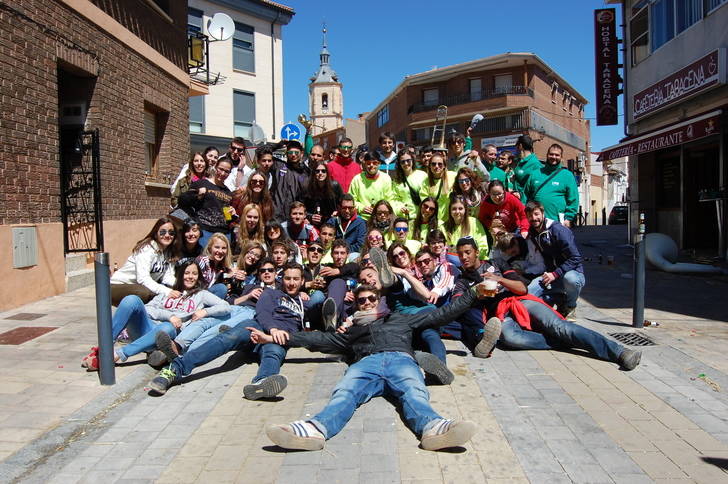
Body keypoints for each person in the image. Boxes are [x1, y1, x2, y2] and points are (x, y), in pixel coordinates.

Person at [253, 282, 485, 452]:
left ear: (379, 300)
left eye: (371, 299)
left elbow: (443, 314)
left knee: (414, 391)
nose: (367, 303)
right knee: (345, 392)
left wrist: (473, 294)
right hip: (366, 363)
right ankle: (315, 429)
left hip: (401, 359)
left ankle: (434, 428)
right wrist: (272, 338)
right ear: (357, 304)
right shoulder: (351, 332)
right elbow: (317, 340)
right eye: (361, 300)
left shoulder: (400, 319)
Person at [82, 260, 230, 370]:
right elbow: (147, 309)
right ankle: (105, 346)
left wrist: (205, 311)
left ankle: (119, 354)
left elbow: (225, 307)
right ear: (180, 275)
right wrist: (169, 315)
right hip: (146, 328)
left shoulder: (201, 295)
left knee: (167, 328)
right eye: (186, 273)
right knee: (131, 300)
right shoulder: (167, 292)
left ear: (198, 277)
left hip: (166, 336)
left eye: (194, 274)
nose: (190, 277)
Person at [525, 201, 585, 319]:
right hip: (551, 275)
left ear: (543, 213)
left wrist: (555, 273)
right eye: (530, 215)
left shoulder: (558, 230)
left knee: (571, 279)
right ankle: (559, 299)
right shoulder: (532, 232)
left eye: (536, 214)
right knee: (529, 293)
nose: (534, 218)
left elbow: (576, 258)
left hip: (571, 273)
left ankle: (570, 306)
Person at [110, 217, 179, 305]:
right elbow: (143, 279)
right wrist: (166, 291)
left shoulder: (169, 252)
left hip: (139, 287)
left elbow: (167, 277)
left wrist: (181, 286)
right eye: (162, 232)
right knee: (145, 293)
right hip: (117, 286)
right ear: (155, 233)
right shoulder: (146, 249)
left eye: (171, 232)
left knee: (157, 291)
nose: (167, 235)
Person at [178, 158, 235, 247]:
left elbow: (227, 217)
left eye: (227, 171)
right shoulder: (201, 184)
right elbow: (182, 201)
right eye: (220, 169)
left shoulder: (228, 192)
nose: (223, 173)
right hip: (205, 231)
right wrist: (197, 194)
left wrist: (232, 215)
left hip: (224, 233)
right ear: (215, 167)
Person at [524, 143, 578, 227]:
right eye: (551, 154)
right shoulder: (535, 174)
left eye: (557, 155)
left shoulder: (567, 175)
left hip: (558, 223)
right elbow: (525, 196)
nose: (554, 157)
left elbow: (573, 199)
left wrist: (569, 218)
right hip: (536, 222)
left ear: (561, 157)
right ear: (547, 155)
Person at [348, 151, 396, 221]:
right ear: (364, 164)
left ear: (379, 164)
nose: (371, 165)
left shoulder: (386, 178)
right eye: (368, 163)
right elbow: (351, 200)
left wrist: (381, 209)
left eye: (374, 163)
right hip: (362, 218)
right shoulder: (357, 179)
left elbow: (390, 199)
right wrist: (362, 208)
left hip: (381, 217)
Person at [196, 233, 242, 299]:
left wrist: (235, 277)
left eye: (224, 248)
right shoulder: (202, 261)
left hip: (208, 296)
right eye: (217, 247)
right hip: (197, 295)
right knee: (221, 288)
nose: (220, 251)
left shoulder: (222, 267)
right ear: (210, 248)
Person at [444, 196, 489, 261]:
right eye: (454, 209)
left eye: (460, 208)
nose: (457, 212)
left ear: (465, 210)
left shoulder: (474, 222)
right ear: (450, 211)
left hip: (476, 262)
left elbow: (483, 246)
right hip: (453, 264)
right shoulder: (444, 227)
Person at [302, 161, 343, 228]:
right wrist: (310, 216)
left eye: (323, 171)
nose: (320, 173)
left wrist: (337, 212)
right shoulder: (307, 188)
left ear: (327, 173)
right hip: (312, 224)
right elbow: (300, 207)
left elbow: (342, 203)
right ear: (314, 173)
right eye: (317, 171)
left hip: (331, 222)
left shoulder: (335, 186)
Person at [419, 153, 455, 222]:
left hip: (452, 218)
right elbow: (425, 203)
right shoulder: (425, 182)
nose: (436, 166)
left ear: (444, 166)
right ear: (429, 166)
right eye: (433, 164)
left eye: (440, 164)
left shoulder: (453, 176)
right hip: (435, 220)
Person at [391, 150, 427, 218]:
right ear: (399, 164)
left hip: (421, 217)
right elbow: (395, 199)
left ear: (412, 160)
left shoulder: (422, 175)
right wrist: (399, 209)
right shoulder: (396, 181)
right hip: (405, 217)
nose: (406, 163)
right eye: (402, 162)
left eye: (408, 160)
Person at [512, 135, 542, 202]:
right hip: (516, 201)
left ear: (520, 146)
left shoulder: (536, 164)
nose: (515, 150)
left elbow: (537, 186)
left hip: (527, 203)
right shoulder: (519, 162)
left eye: (516, 147)